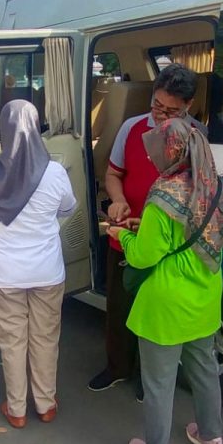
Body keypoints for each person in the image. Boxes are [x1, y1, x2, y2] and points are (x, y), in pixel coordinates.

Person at [106, 117, 223, 444]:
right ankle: (212, 441)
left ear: (173, 151)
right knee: (205, 371)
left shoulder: (163, 196)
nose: (154, 157)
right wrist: (144, 229)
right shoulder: (216, 188)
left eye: (159, 149)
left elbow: (144, 255)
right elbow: (198, 234)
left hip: (165, 304)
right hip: (205, 297)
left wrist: (122, 234)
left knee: (159, 384)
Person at [89, 63, 206, 398]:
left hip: (168, 245)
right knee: (120, 307)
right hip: (125, 232)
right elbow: (114, 174)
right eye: (157, 106)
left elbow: (201, 191)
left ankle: (149, 379)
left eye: (172, 111)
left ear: (188, 107)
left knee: (156, 318)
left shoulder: (196, 136)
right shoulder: (131, 128)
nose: (162, 116)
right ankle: (117, 367)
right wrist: (118, 201)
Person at [0, 101, 76, 429]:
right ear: (36, 126)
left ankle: (16, 409)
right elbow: (68, 209)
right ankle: (46, 404)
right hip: (47, 271)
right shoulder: (56, 172)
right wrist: (46, 224)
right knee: (46, 338)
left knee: (12, 341)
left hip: (4, 274)